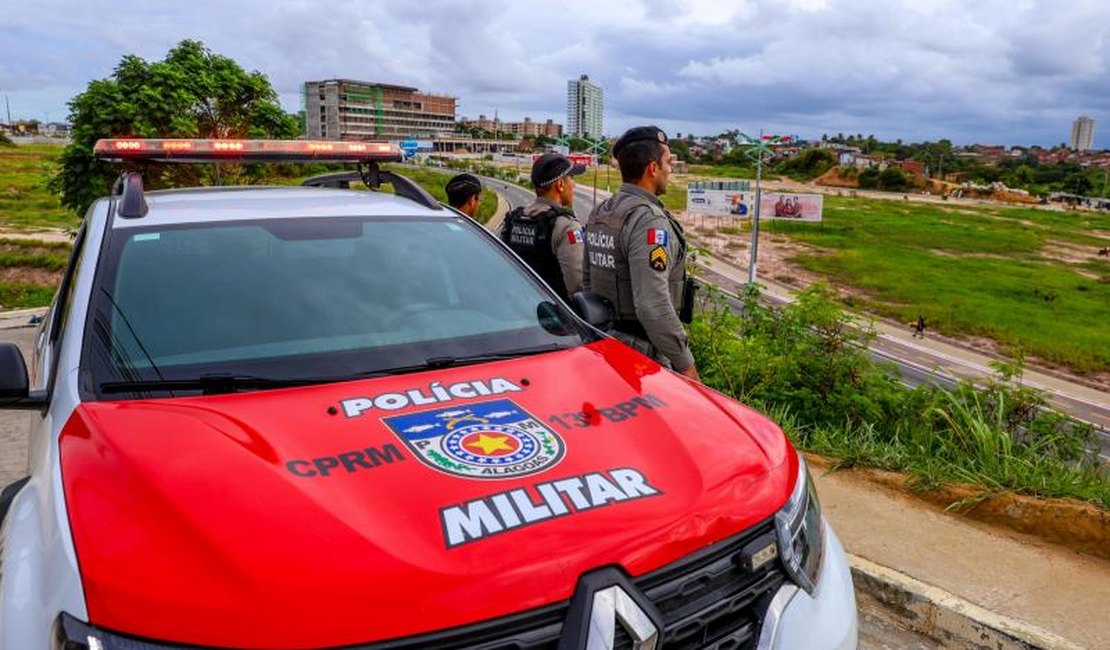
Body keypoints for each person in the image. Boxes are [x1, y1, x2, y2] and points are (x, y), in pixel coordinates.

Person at [584, 126, 699, 380]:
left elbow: (586, 282)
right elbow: (652, 305)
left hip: (606, 345)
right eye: (668, 162)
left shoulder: (601, 211)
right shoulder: (648, 221)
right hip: (644, 361)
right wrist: (685, 365)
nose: (670, 169)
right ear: (653, 168)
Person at [498, 153, 586, 301]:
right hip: (551, 317)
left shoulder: (513, 220)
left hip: (516, 307)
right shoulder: (565, 226)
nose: (574, 185)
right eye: (572, 179)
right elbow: (578, 287)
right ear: (560, 185)